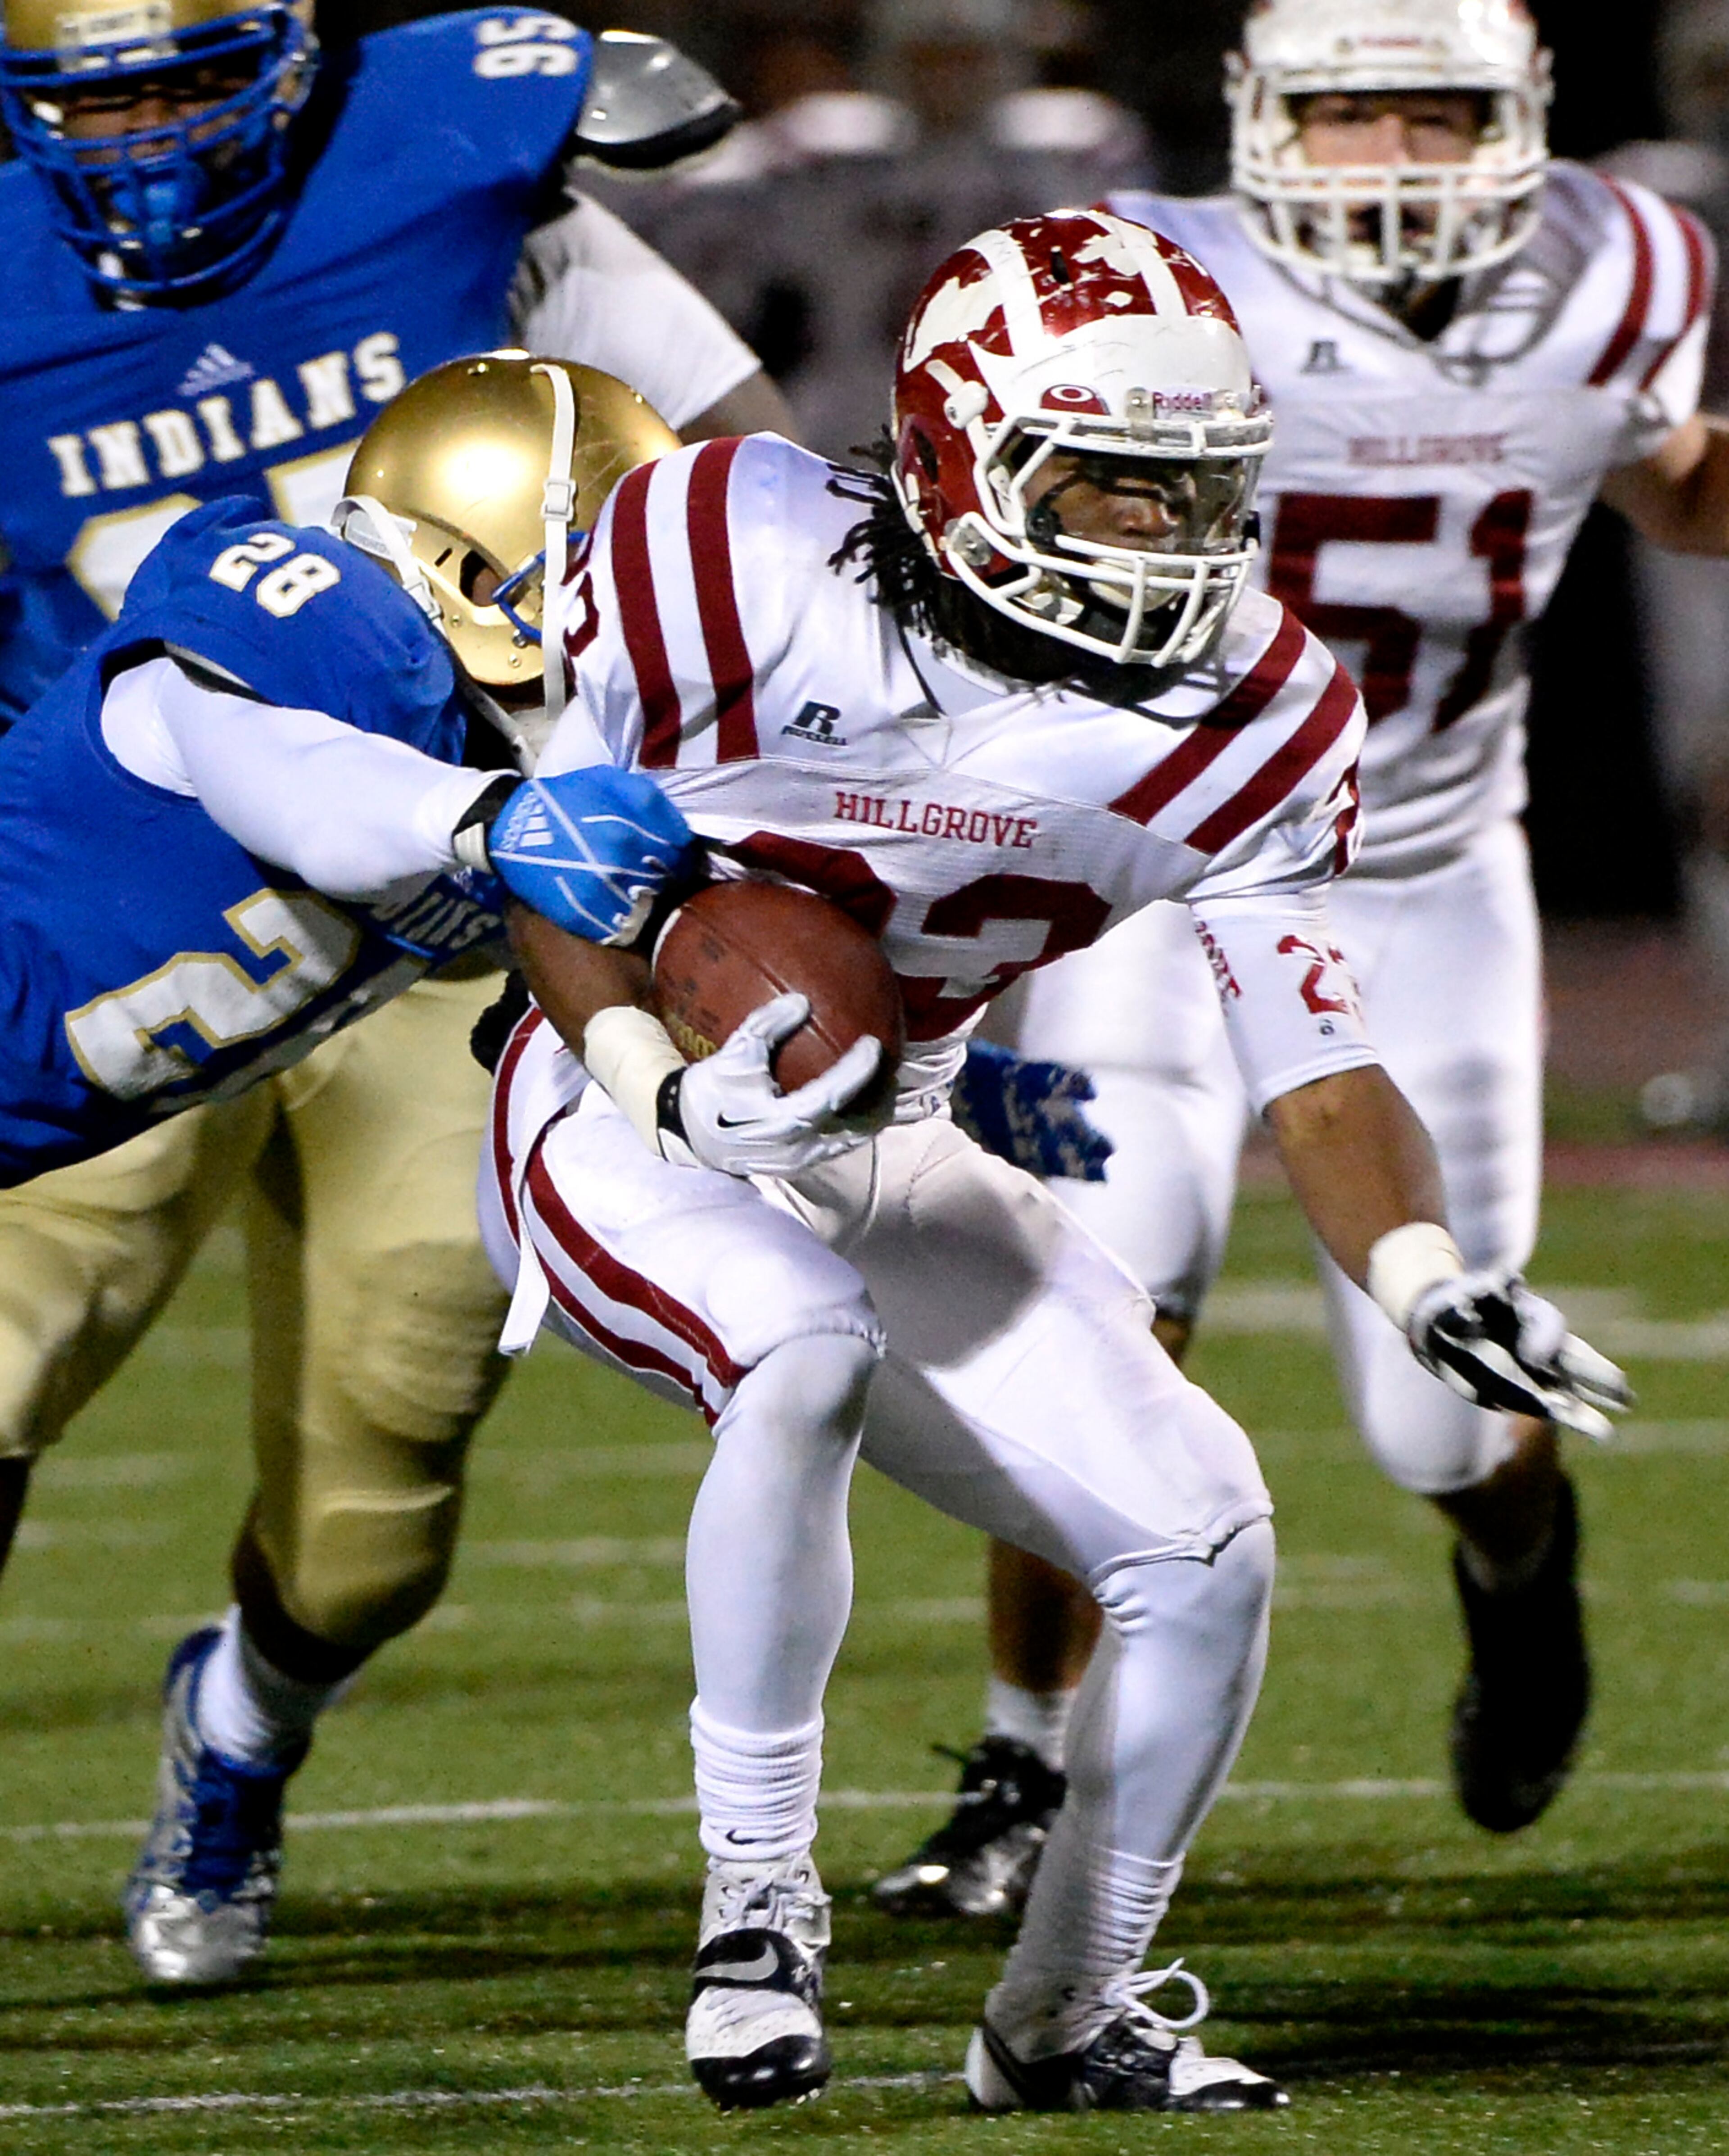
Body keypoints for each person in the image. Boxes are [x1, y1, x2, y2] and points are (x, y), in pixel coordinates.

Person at [459, 214, 1626, 2111]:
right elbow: (556, 857)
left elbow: (1318, 1072)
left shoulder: (1254, 718)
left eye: (1199, 492)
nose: (1167, 539)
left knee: (1209, 1538)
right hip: (618, 1106)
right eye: (1113, 485)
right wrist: (646, 1076)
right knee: (800, 1351)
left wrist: (1428, 1275)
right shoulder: (712, 553)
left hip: (888, 1129)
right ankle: (757, 1913)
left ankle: (1066, 2016)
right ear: (947, 455)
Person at [878, 0, 1729, 1922]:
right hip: (1163, 880)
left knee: (1437, 1412)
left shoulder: (1627, 266)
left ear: (1521, 116)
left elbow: (1670, 482)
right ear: (1266, 118)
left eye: (1439, 114)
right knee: (1092, 1320)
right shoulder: (1147, 283)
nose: (1396, 158)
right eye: (1350, 115)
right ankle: (1024, 1761)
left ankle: (1519, 1571)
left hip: (1423, 878)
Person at [0, 0, 789, 1986]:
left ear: (292, 56)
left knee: (375, 1511)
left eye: (193, 80)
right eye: (104, 100)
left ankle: (244, 1730)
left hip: (460, 947)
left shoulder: (461, 163)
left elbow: (750, 488)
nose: (153, 142)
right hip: (137, 893)